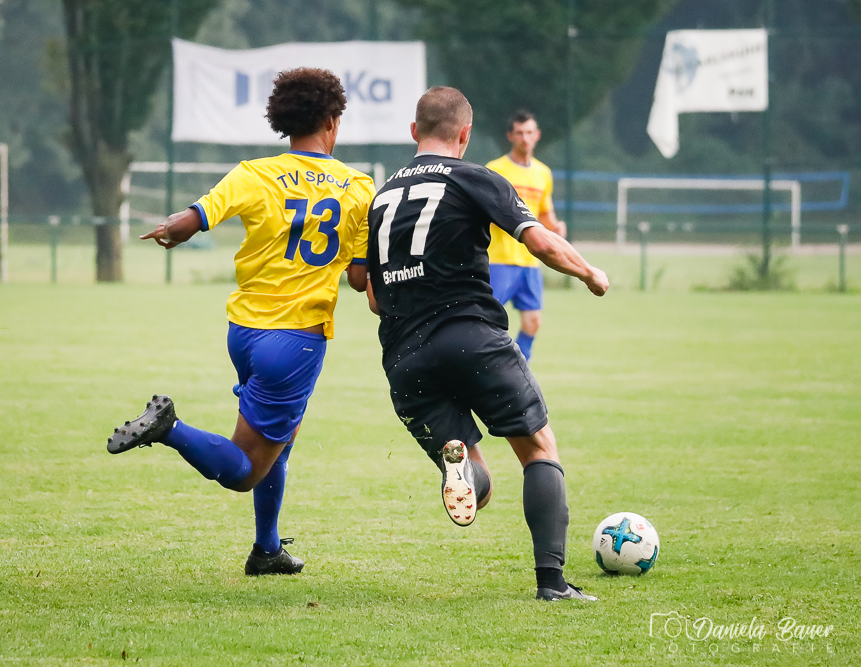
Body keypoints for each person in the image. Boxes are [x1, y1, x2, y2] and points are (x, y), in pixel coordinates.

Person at [104, 68, 374, 576]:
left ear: (284, 121)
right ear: (332, 121)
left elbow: (191, 219)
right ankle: (169, 428)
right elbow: (360, 280)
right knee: (245, 471)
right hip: (295, 342)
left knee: (281, 440)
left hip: (245, 333)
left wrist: (173, 230)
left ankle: (267, 550)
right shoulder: (359, 188)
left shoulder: (254, 173)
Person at [365, 87, 609, 601]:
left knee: (482, 483)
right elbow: (539, 241)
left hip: (404, 357)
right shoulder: (473, 176)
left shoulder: (382, 197)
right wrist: (590, 272)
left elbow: (369, 294)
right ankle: (552, 584)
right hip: (470, 336)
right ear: (465, 134)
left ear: (413, 132)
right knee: (538, 449)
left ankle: (462, 470)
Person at [486, 110, 566, 363]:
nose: (525, 138)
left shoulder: (543, 173)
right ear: (510, 136)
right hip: (499, 260)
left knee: (533, 322)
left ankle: (517, 367)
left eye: (529, 132)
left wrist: (555, 227)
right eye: (519, 133)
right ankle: (483, 368)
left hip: (530, 262)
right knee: (486, 322)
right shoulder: (495, 170)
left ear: (537, 135)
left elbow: (544, 213)